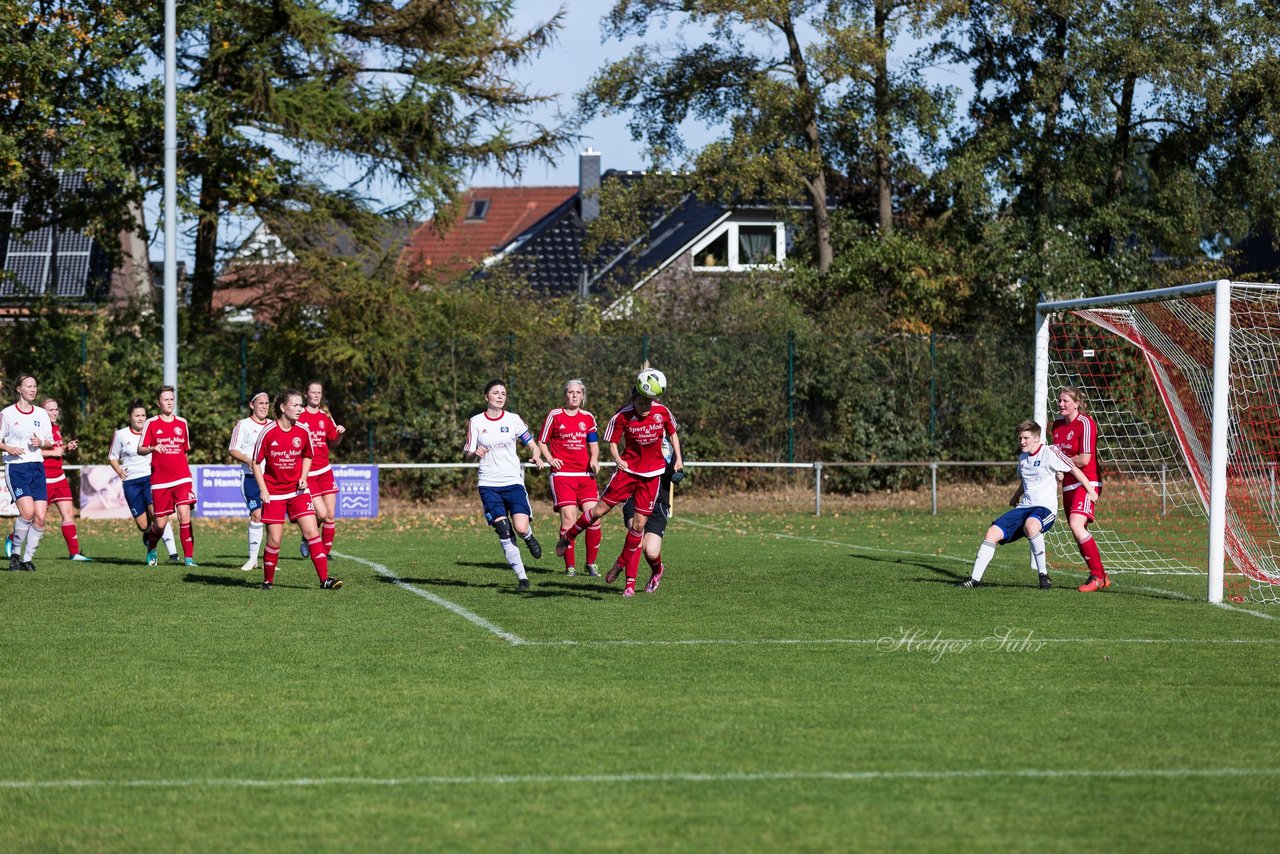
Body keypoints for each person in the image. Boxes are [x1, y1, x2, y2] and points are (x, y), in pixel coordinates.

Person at [556, 369, 684, 598]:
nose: (645, 406)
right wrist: (617, 459)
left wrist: (679, 460)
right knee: (598, 510)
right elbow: (612, 442)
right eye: (640, 402)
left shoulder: (662, 412)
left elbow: (673, 433)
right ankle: (570, 535)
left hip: (652, 476)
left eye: (648, 402)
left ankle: (622, 571)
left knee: (637, 527)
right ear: (633, 398)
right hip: (629, 472)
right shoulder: (622, 416)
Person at [958, 419, 1098, 589]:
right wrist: (1015, 496)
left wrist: (1090, 490)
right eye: (1020, 438)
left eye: (1026, 438)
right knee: (992, 532)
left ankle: (1043, 575)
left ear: (1037, 438)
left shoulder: (1050, 452)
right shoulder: (1023, 458)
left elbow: (1073, 468)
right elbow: (1025, 482)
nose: (1022, 442)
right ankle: (974, 579)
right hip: (1024, 507)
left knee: (1031, 526)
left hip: (1045, 509)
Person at [251, 389, 343, 590]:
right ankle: (268, 581)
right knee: (274, 540)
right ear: (283, 408)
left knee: (312, 532)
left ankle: (325, 580)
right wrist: (263, 489)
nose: (300, 409)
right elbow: (255, 463)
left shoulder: (303, 430)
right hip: (274, 493)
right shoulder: (268, 432)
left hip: (297, 492)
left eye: (301, 405)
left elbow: (308, 456)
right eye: (296, 405)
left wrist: (303, 477)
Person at [463, 379, 547, 590]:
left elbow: (531, 444)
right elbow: (467, 456)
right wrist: (474, 453)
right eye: (496, 393)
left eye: (503, 393)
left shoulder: (514, 419)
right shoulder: (476, 422)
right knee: (503, 528)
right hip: (488, 484)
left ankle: (528, 536)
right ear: (486, 397)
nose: (500, 396)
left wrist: (536, 456)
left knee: (520, 527)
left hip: (513, 482)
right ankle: (523, 578)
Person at [537, 379, 602, 577]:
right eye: (570, 392)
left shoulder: (588, 418)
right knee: (569, 518)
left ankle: (591, 563)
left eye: (578, 393)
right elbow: (542, 441)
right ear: (565, 395)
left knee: (594, 516)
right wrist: (549, 458)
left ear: (583, 396)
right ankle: (570, 566)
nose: (574, 395)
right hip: (563, 476)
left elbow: (593, 444)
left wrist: (595, 460)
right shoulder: (555, 415)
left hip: (585, 475)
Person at [1052, 386, 1110, 592]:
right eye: (1059, 400)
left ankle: (1097, 576)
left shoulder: (1086, 422)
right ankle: (1101, 575)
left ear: (1077, 404)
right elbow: (1059, 458)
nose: (1061, 404)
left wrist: (1062, 462)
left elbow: (1084, 459)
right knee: (1077, 530)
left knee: (1077, 525)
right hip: (1069, 483)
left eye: (1066, 401)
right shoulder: (1057, 426)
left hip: (1089, 481)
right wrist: (1058, 470)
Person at [108, 399, 179, 565]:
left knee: (158, 515)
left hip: (151, 479)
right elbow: (112, 457)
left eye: (143, 415)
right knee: (143, 525)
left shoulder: (153, 430)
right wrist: (119, 470)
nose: (140, 418)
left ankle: (173, 554)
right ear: (130, 417)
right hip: (131, 483)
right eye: (137, 415)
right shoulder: (121, 434)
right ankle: (149, 535)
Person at [138, 385, 198, 567]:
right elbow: (140, 449)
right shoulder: (151, 423)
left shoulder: (182, 422)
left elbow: (184, 450)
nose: (170, 402)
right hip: (160, 481)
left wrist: (184, 472)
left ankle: (189, 559)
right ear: (158, 403)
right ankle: (152, 546)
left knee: (184, 515)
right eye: (166, 399)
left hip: (182, 478)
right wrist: (152, 448)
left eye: (172, 398)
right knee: (161, 524)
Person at [2, 375, 55, 571]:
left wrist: (40, 443)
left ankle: (27, 558)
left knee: (40, 517)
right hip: (16, 468)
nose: (33, 390)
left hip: (37, 467)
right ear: (18, 389)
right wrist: (8, 448)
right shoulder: (7, 414)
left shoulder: (41, 414)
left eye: (35, 386)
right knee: (28, 512)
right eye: (29, 386)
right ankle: (15, 553)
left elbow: (50, 441)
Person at [619, 435, 683, 594]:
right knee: (636, 538)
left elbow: (677, 468)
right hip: (634, 497)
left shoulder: (670, 445)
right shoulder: (637, 437)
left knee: (651, 551)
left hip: (658, 501)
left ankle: (657, 570)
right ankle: (629, 586)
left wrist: (677, 474)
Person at [295, 381, 344, 559]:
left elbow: (334, 443)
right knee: (321, 514)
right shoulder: (299, 416)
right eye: (313, 392)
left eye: (319, 392)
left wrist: (340, 434)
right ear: (306, 394)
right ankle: (307, 536)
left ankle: (325, 552)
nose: (316, 395)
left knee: (330, 515)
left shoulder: (325, 417)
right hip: (308, 474)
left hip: (325, 471)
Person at [39, 398, 92, 561]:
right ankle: (13, 540)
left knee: (68, 514)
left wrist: (66, 448)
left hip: (60, 478)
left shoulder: (56, 428)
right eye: (50, 410)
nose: (54, 413)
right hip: (44, 479)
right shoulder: (38, 429)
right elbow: (33, 453)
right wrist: (52, 453)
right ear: (42, 412)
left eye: (56, 409)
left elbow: (56, 450)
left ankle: (74, 553)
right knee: (37, 520)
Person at [228, 392, 272, 572]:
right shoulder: (243, 425)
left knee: (271, 519)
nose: (264, 406)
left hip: (271, 478)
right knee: (257, 515)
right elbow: (233, 449)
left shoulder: (272, 425)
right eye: (260, 403)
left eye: (267, 403)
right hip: (250, 477)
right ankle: (253, 558)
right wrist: (249, 461)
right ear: (252, 405)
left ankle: (269, 559)